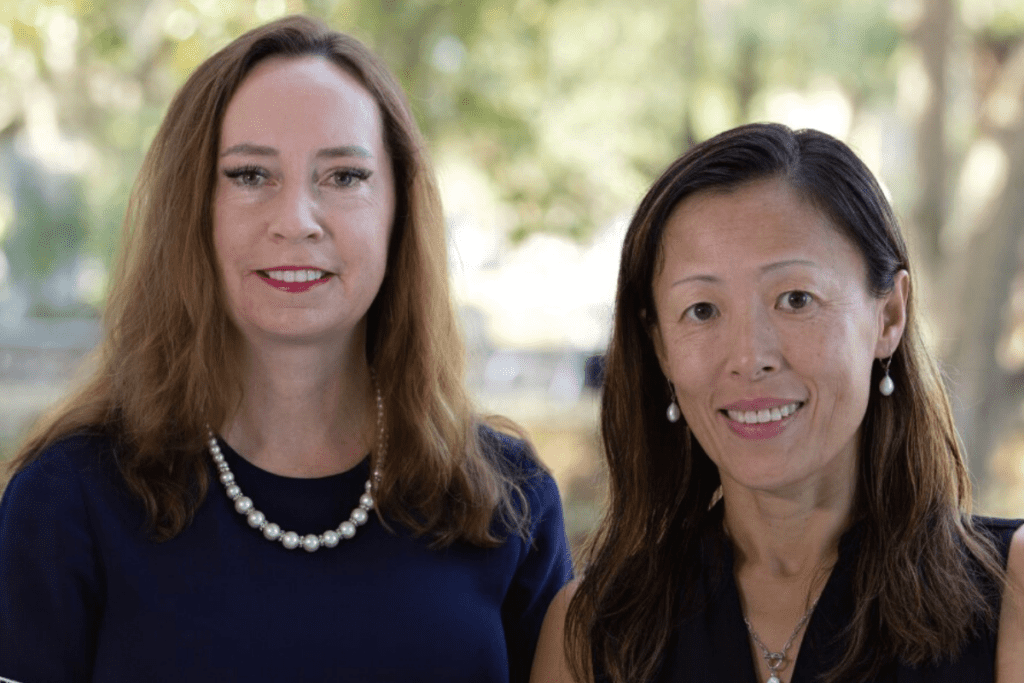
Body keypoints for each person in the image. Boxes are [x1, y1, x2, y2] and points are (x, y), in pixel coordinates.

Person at [0, 15, 572, 683]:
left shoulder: (507, 499)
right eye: (249, 174)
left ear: (399, 210)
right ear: (194, 208)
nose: (296, 220)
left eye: (345, 176)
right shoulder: (68, 502)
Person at [530, 123, 1024, 683]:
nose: (750, 357)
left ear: (888, 317)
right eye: (702, 310)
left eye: (795, 299)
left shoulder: (1013, 593)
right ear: (660, 348)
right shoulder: (592, 632)